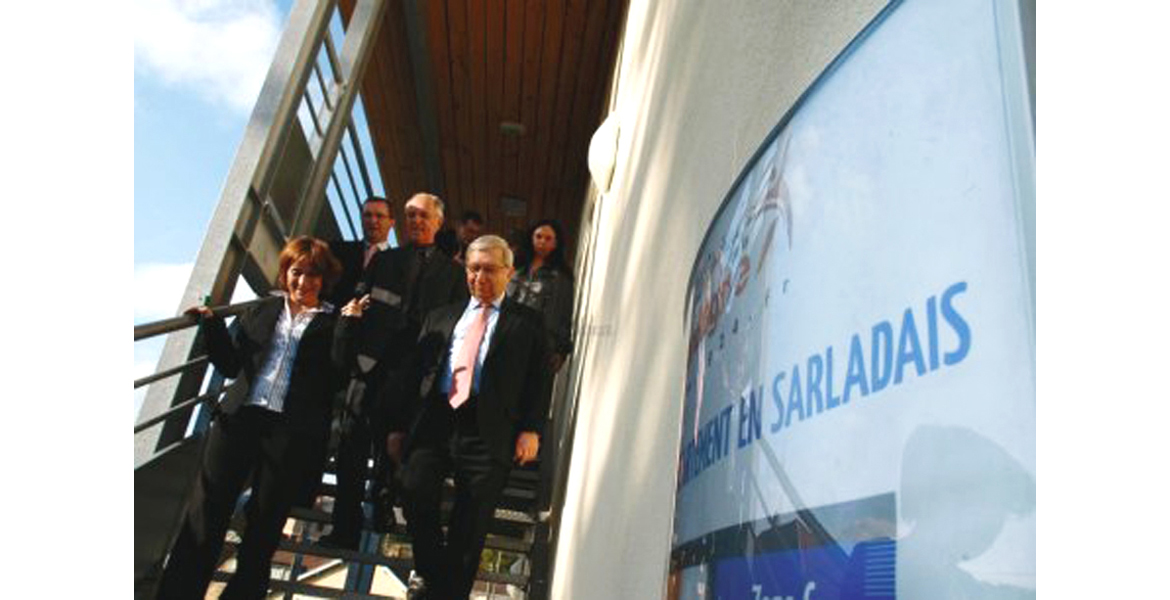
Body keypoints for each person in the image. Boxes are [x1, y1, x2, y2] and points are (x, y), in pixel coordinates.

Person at [157, 236, 366, 600]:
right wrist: (211, 325)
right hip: (238, 423)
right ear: (286, 273)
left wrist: (349, 327)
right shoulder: (260, 311)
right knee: (205, 517)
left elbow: (338, 377)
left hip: (289, 435)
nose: (304, 282)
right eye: (297, 272)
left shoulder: (334, 323)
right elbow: (231, 365)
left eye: (313, 275)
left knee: (264, 531)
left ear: (325, 279)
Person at [390, 235, 550, 600]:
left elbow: (539, 381)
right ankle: (432, 576)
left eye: (490, 269)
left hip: (489, 428)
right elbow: (414, 375)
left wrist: (531, 430)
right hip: (437, 419)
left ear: (509, 273)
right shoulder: (440, 316)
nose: (480, 276)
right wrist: (399, 426)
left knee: (470, 524)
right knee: (414, 489)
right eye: (474, 268)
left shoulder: (528, 322)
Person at [323, 193, 468, 549]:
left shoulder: (453, 274)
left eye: (422, 216)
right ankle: (345, 529)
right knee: (351, 450)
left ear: (437, 221)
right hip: (369, 368)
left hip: (415, 376)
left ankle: (383, 508)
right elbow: (360, 300)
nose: (416, 221)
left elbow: (454, 324)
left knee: (395, 450)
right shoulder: (385, 260)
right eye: (410, 215)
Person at [508, 219, 575, 372]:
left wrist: (560, 350)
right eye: (538, 236)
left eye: (548, 238)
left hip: (538, 346)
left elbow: (563, 315)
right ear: (531, 238)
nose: (542, 241)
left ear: (555, 244)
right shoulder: (517, 268)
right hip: (508, 337)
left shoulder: (561, 276)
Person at [326, 195, 395, 307]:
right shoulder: (336, 251)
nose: (373, 220)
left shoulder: (399, 263)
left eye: (379, 216)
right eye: (367, 215)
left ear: (391, 222)